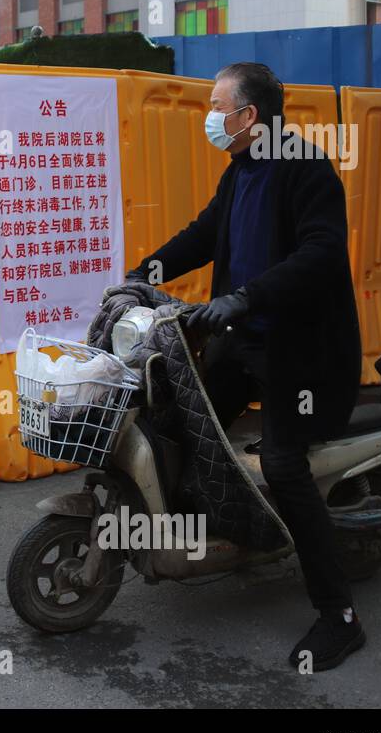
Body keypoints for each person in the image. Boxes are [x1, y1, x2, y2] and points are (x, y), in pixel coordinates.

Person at [125, 62, 365, 671]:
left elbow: (322, 254)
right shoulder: (240, 172)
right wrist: (139, 276)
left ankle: (339, 616)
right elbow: (202, 236)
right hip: (240, 342)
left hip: (299, 354)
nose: (209, 117)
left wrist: (247, 296)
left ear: (248, 115)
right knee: (174, 421)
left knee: (284, 465)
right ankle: (218, 531)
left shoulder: (307, 170)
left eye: (216, 105)